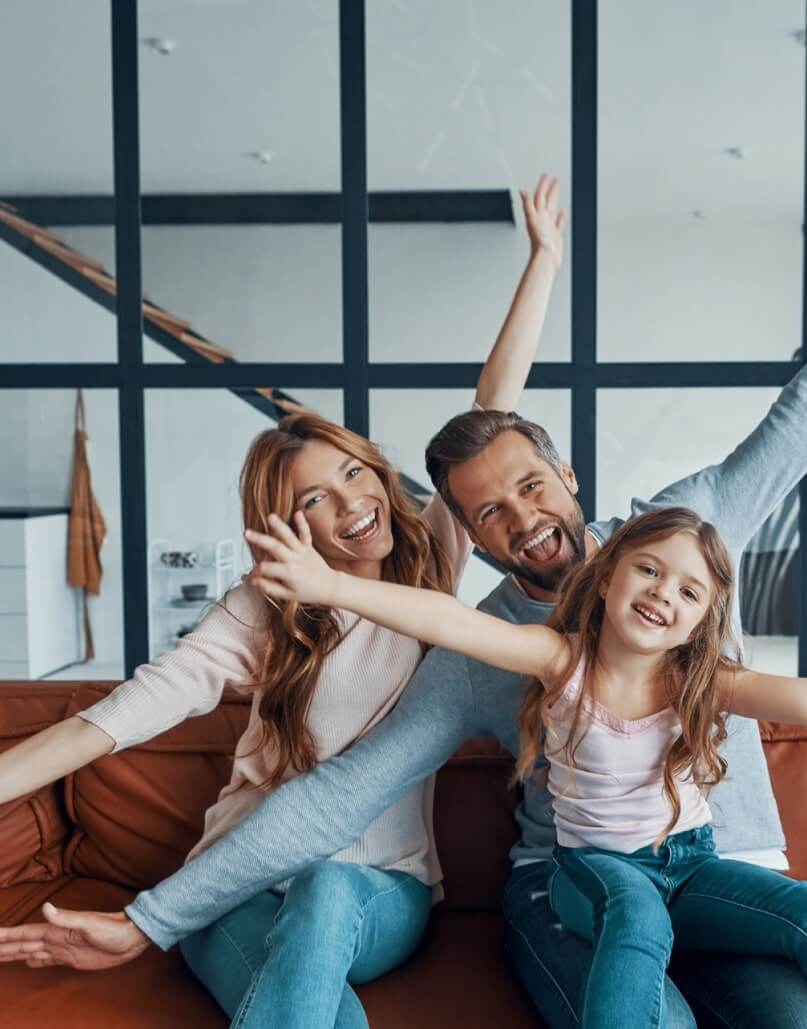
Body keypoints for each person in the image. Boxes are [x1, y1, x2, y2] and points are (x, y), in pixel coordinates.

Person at [0, 159, 807, 1029]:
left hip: (729, 871)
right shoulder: (490, 644)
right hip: (572, 891)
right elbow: (340, 788)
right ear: (468, 535)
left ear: (570, 479)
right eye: (487, 515)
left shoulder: (682, 536)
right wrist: (150, 917)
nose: (519, 519)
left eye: (531, 489)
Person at [0, 174, 567, 1029]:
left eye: (352, 472)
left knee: (330, 891)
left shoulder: (428, 560)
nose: (351, 504)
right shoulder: (258, 612)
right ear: (283, 524)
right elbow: (112, 719)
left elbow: (492, 408)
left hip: (379, 892)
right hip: (234, 889)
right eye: (314, 500)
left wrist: (544, 261)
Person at [234, 502, 807, 1028]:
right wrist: (329, 583)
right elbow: (445, 618)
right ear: (607, 574)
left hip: (692, 864)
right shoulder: (560, 660)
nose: (662, 595)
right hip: (594, 873)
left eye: (688, 592)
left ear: (697, 623)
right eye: (648, 569)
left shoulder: (701, 682)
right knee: (637, 920)